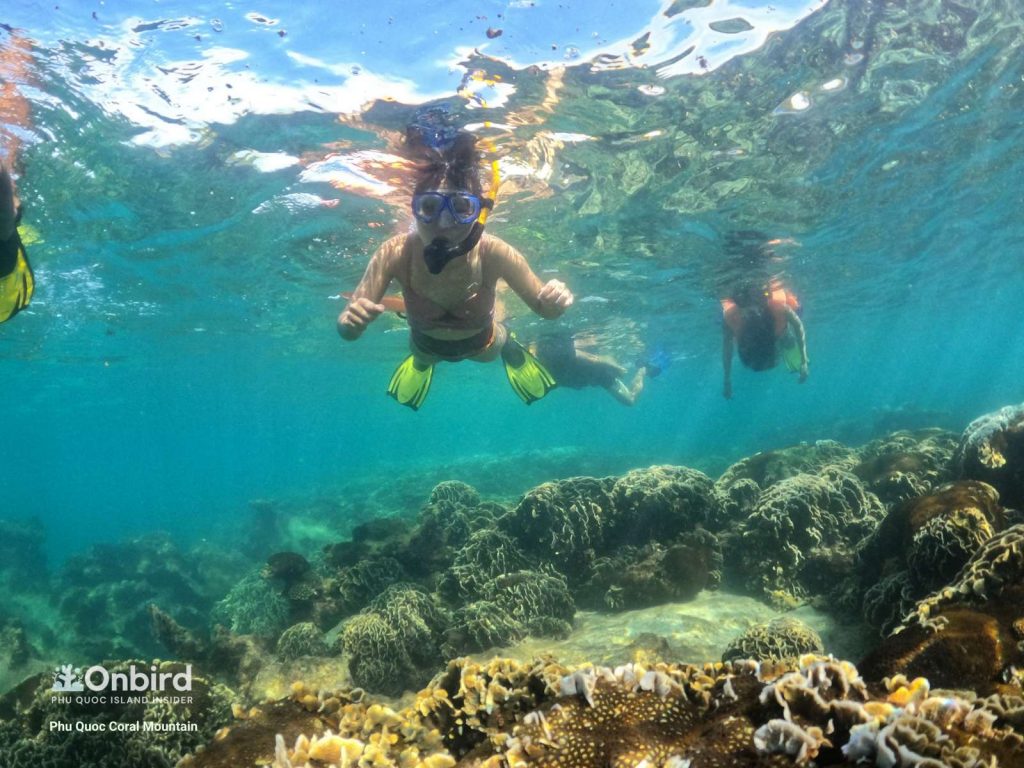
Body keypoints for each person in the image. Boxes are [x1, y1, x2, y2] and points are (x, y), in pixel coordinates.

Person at [337, 109, 574, 410]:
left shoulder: (495, 252)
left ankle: (510, 348)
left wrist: (556, 300)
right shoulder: (393, 253)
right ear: (413, 209)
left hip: (485, 345)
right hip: (424, 345)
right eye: (430, 207)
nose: (444, 224)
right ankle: (422, 366)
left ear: (479, 213)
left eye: (461, 207)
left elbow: (546, 310)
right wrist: (349, 323)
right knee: (423, 356)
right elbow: (348, 328)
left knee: (491, 349)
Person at [721, 279, 808, 399]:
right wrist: (803, 361)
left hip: (775, 327)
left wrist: (727, 380)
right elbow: (798, 326)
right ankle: (786, 339)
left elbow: (727, 348)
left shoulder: (732, 318)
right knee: (784, 332)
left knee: (785, 333)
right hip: (777, 326)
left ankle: (786, 339)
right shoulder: (778, 310)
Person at [528, 330, 655, 406]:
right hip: (582, 377)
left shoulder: (555, 351)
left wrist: (616, 367)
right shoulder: (535, 362)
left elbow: (593, 358)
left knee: (630, 400)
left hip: (596, 373)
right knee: (629, 401)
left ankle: (643, 369)